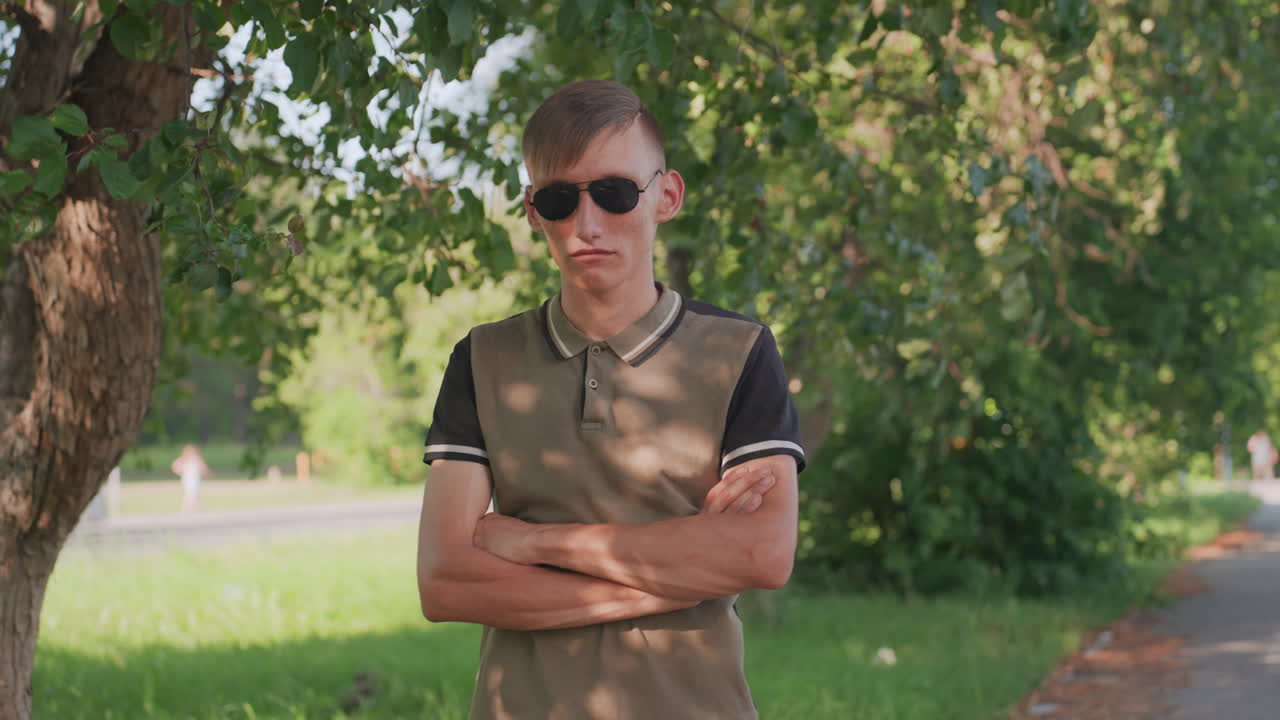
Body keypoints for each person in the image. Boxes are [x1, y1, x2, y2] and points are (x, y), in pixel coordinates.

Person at [417, 79, 804, 720]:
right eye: (560, 198)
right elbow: (445, 582)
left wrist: (536, 543)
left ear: (666, 196)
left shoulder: (739, 353)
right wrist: (682, 574)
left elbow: (761, 554)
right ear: (533, 209)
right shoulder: (483, 360)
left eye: (617, 192)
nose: (587, 224)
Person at [171, 444, 211, 512]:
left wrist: (207, 473)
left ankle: (193, 507)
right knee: (191, 494)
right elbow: (175, 466)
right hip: (189, 479)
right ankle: (189, 508)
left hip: (194, 479)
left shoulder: (192, 458)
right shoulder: (185, 459)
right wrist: (180, 472)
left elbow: (202, 467)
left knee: (193, 493)